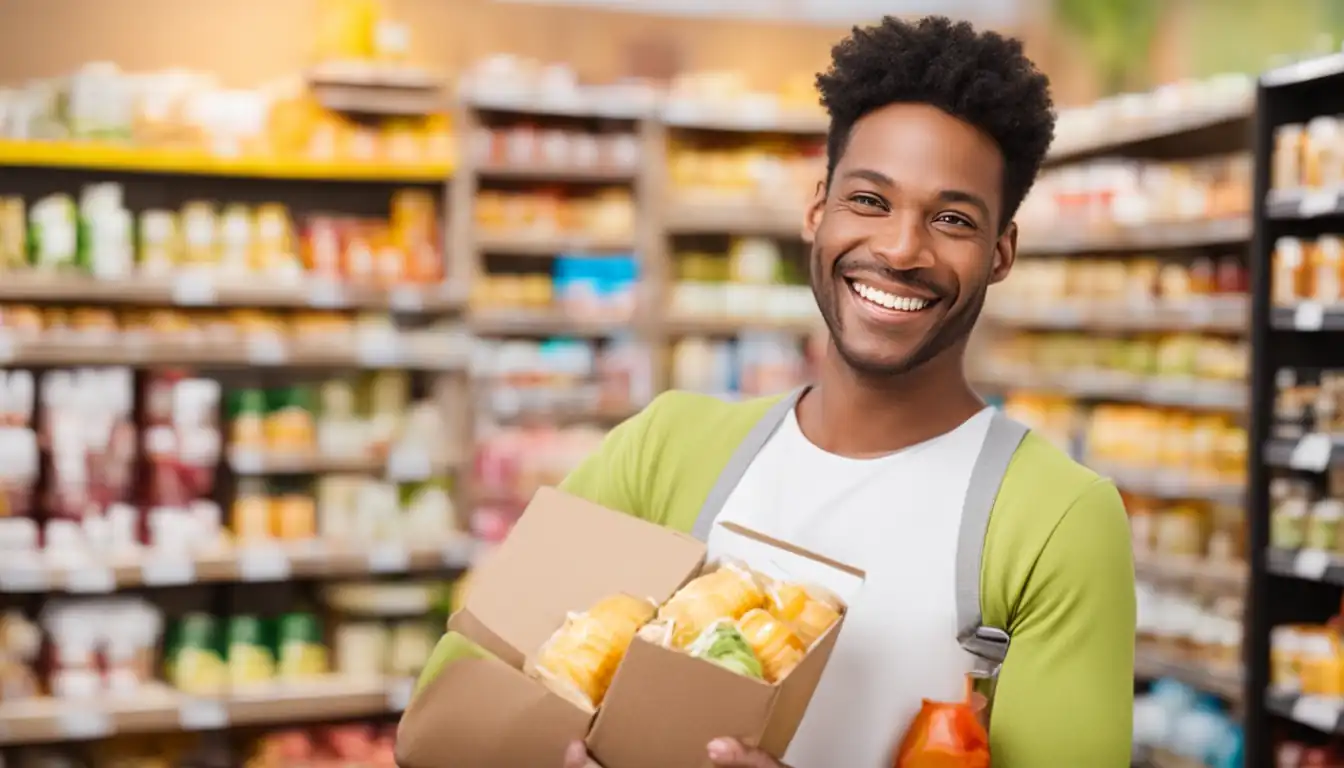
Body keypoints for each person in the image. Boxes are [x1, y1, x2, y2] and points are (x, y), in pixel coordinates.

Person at [403, 14, 1135, 768]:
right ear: (817, 209)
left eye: (952, 219)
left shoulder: (1051, 519)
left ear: (1001, 253)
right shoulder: (669, 451)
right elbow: (450, 702)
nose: (899, 249)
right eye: (870, 200)